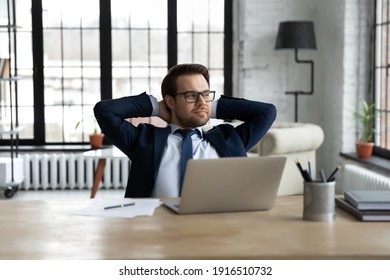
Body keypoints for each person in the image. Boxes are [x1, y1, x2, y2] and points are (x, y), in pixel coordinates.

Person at [94, 63, 276, 198]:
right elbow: (105, 111)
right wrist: (156, 108)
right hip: (156, 233)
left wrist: (208, 108)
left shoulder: (229, 139)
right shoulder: (144, 140)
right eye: (191, 95)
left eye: (205, 94)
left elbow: (267, 112)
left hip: (218, 231)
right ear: (171, 102)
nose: (201, 102)